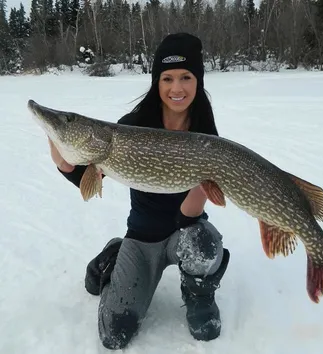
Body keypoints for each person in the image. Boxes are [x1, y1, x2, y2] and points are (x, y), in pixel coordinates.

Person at [48, 33, 230, 350]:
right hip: (142, 237)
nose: (177, 88)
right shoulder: (128, 128)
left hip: (182, 230)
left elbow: (189, 216)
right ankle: (115, 257)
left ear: (198, 80)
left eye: (186, 77)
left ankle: (199, 295)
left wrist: (202, 191)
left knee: (204, 243)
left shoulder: (205, 134)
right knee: (114, 334)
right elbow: (85, 177)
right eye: (167, 78)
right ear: (156, 82)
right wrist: (61, 150)